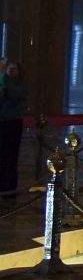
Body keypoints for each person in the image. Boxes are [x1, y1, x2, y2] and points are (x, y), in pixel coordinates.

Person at [0, 58, 26, 197]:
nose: (11, 72)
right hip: (2, 121)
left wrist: (5, 78)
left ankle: (10, 187)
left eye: (13, 70)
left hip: (13, 122)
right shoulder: (3, 83)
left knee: (11, 155)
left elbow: (14, 95)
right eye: (9, 70)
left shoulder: (20, 86)